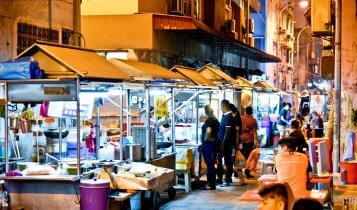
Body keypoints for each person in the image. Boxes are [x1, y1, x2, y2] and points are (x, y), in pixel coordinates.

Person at [201, 105, 220, 190]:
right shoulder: (216, 120)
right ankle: (212, 183)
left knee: (210, 164)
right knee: (212, 163)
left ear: (206, 112)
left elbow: (208, 131)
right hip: (215, 144)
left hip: (208, 145)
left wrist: (206, 137)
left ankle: (211, 184)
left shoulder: (209, 120)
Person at [216, 99, 235, 186]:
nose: (220, 108)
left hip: (225, 143)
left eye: (221, 106)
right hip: (222, 141)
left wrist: (223, 143)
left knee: (227, 160)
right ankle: (220, 178)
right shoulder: (224, 116)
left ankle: (227, 179)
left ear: (223, 106)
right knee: (220, 159)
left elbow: (228, 131)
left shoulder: (229, 117)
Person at [240, 106, 259, 178]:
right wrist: (257, 142)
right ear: (251, 112)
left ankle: (238, 171)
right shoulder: (253, 120)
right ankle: (247, 172)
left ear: (245, 111)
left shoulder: (241, 118)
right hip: (249, 140)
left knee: (240, 155)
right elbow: (254, 132)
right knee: (248, 157)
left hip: (241, 139)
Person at [229, 104, 245, 185]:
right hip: (235, 143)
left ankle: (241, 179)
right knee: (234, 161)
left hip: (234, 143)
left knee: (236, 161)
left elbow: (237, 132)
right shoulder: (236, 117)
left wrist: (236, 144)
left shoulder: (236, 118)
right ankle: (240, 178)